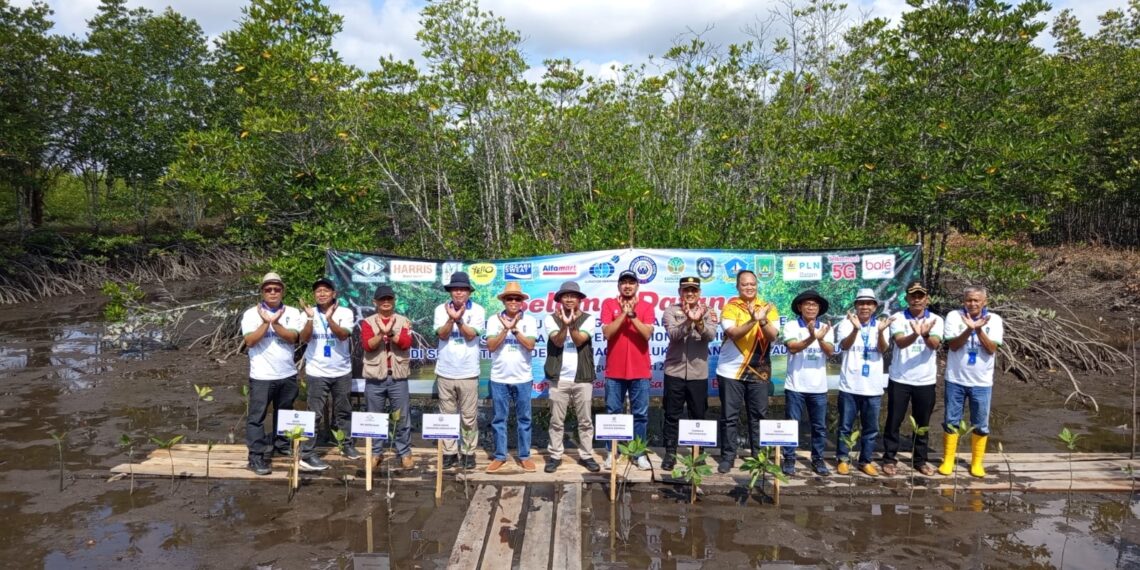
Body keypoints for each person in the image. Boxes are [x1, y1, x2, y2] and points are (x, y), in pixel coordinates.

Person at [716, 270, 779, 474]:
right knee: (729, 416)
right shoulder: (731, 307)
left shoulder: (768, 308)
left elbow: (773, 337)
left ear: (757, 285)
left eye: (752, 284)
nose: (749, 287)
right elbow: (732, 333)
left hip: (758, 370)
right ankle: (728, 456)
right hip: (730, 371)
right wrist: (752, 320)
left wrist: (762, 320)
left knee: (759, 415)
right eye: (744, 284)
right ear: (737, 287)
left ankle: (759, 457)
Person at [240, 272, 304, 476]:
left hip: (287, 373)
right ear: (262, 291)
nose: (273, 292)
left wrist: (275, 323)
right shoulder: (251, 314)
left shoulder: (292, 312)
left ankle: (282, 445)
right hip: (261, 376)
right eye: (268, 289)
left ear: (282, 291)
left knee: (284, 413)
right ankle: (256, 457)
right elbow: (250, 341)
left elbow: (293, 337)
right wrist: (264, 322)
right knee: (256, 417)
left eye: (277, 289)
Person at [938, 285, 1004, 478]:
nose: (972, 304)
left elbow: (992, 349)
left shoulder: (995, 320)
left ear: (985, 302)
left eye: (976, 300)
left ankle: (977, 463)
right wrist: (969, 329)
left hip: (982, 382)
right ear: (963, 301)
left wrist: (979, 329)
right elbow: (953, 345)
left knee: (980, 423)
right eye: (969, 300)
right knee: (951, 421)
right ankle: (948, 460)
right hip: (955, 379)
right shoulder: (953, 316)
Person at [881, 281, 944, 477]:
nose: (917, 299)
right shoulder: (898, 318)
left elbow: (934, 345)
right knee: (894, 420)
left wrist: (924, 335)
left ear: (927, 299)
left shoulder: (936, 320)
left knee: (922, 422)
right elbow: (899, 342)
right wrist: (914, 334)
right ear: (907, 298)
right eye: (913, 296)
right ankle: (889, 459)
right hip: (900, 378)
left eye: (921, 296)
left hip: (925, 380)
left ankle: (920, 460)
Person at [297, 278, 356, 472]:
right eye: (318, 291)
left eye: (326, 290)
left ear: (334, 294)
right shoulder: (307, 313)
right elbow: (304, 339)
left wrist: (329, 319)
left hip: (342, 371)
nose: (321, 294)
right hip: (316, 371)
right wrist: (310, 318)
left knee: (343, 411)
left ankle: (345, 444)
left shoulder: (345, 312)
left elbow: (343, 335)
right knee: (314, 414)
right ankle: (307, 454)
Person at [661, 276, 718, 472]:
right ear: (680, 292)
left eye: (694, 290)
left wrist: (699, 322)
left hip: (698, 374)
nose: (690, 293)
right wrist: (688, 320)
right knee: (671, 414)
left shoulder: (708, 312)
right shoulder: (670, 311)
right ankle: (670, 452)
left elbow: (710, 336)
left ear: (699, 293)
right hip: (674, 372)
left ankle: (698, 452)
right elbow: (674, 335)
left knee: (698, 414)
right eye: (686, 290)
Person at [543, 281, 601, 473]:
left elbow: (579, 340)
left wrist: (572, 324)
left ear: (579, 300)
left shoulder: (589, 319)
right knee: (556, 420)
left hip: (581, 378)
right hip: (558, 379)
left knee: (585, 421)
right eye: (565, 296)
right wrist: (564, 326)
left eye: (573, 296)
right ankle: (555, 455)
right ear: (559, 300)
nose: (569, 299)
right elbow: (557, 342)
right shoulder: (550, 319)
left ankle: (586, 455)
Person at [600, 270, 656, 470]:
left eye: (631, 282)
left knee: (640, 414)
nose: (627, 286)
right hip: (615, 372)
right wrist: (623, 312)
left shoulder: (647, 306)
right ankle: (612, 452)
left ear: (637, 286)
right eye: (623, 282)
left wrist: (632, 316)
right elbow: (607, 333)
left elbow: (647, 334)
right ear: (618, 286)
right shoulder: (608, 304)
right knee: (613, 412)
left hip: (640, 371)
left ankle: (638, 454)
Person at [834, 288, 892, 477]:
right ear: (856, 305)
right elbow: (844, 346)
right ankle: (842, 459)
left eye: (869, 303)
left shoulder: (881, 325)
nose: (865, 307)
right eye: (861, 303)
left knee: (871, 428)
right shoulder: (846, 323)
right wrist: (855, 329)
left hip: (873, 387)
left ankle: (865, 461)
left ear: (874, 306)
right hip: (849, 385)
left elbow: (882, 349)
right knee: (845, 426)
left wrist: (881, 332)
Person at [434, 271, 486, 470]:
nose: (459, 293)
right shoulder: (440, 309)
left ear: (469, 292)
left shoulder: (479, 310)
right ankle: (449, 452)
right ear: (450, 292)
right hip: (445, 372)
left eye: (463, 289)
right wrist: (450, 319)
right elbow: (442, 335)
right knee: (446, 416)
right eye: (455, 289)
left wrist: (460, 320)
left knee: (469, 416)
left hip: (468, 372)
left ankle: (468, 452)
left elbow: (472, 335)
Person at [484, 282, 539, 473]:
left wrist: (515, 329)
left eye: (517, 298)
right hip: (499, 378)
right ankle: (500, 456)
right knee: (499, 419)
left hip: (523, 378)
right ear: (504, 301)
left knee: (524, 418)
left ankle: (524, 456)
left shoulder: (529, 321)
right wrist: (505, 329)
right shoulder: (493, 320)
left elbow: (530, 345)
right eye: (510, 298)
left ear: (522, 301)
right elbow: (491, 346)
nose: (513, 301)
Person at [360, 284, 415, 470]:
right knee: (374, 418)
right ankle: (376, 453)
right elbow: (368, 345)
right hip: (375, 378)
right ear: (374, 302)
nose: (385, 302)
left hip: (398, 378)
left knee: (402, 419)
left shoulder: (404, 321)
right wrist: (382, 333)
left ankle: (404, 453)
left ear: (393, 301)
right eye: (382, 299)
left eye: (389, 299)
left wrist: (390, 332)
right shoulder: (367, 322)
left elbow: (406, 343)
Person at [780, 289, 835, 476]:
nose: (811, 307)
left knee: (819, 426)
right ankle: (789, 459)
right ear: (799, 307)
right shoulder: (791, 326)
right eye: (807, 304)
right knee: (791, 425)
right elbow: (793, 348)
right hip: (795, 385)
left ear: (819, 308)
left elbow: (829, 352)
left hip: (818, 387)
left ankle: (818, 459)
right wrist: (812, 336)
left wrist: (819, 338)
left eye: (815, 304)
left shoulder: (827, 328)